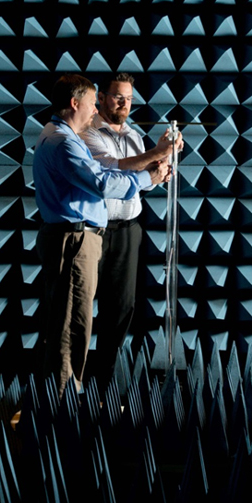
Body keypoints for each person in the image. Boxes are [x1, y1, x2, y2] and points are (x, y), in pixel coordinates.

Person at [33, 74, 170, 395]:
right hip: (75, 238)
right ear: (74, 103)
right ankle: (62, 402)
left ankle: (68, 394)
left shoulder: (62, 136)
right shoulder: (65, 142)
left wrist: (154, 170)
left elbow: (104, 175)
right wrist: (149, 178)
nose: (95, 111)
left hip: (80, 237)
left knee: (76, 320)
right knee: (70, 324)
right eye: (94, 103)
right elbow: (103, 182)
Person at [82, 73, 183, 390]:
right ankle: (69, 382)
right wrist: (156, 153)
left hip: (129, 231)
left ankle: (102, 382)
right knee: (82, 306)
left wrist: (161, 167)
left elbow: (140, 184)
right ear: (100, 97)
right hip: (95, 230)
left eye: (129, 98)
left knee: (121, 307)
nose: (124, 104)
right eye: (117, 97)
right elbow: (112, 169)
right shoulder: (87, 134)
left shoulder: (134, 136)